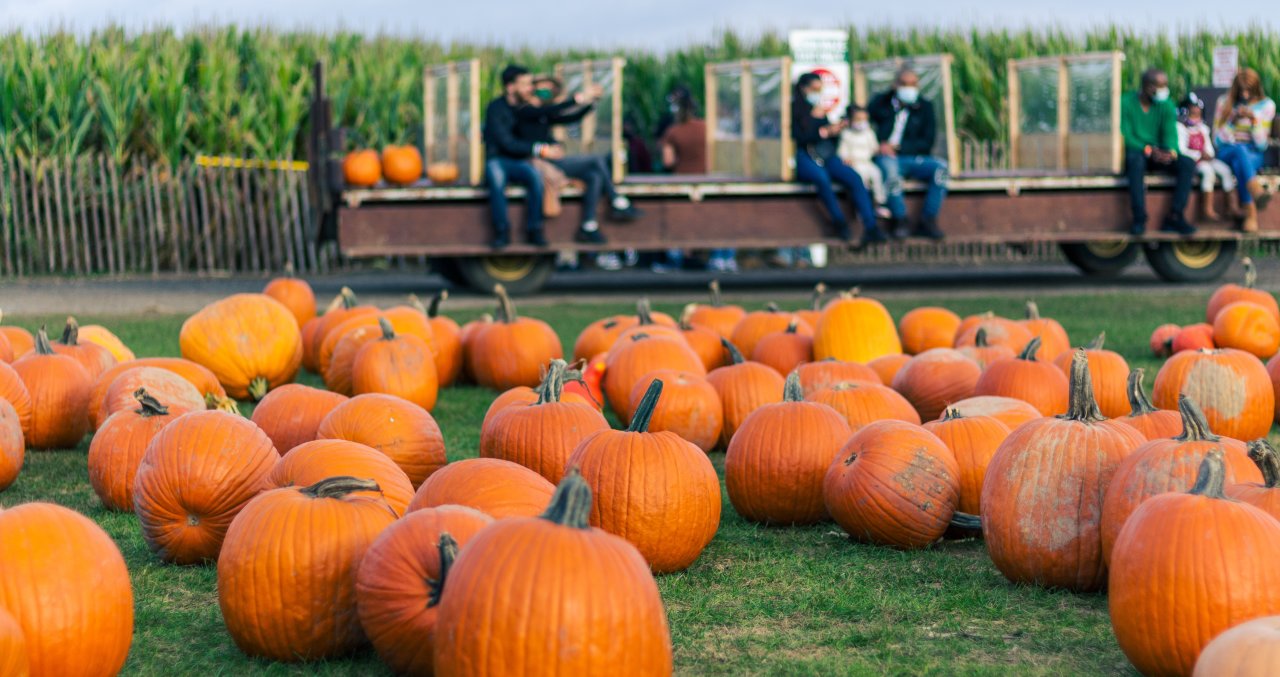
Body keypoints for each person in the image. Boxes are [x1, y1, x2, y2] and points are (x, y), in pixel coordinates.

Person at [511, 77, 642, 245]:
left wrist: (591, 103)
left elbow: (570, 118)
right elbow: (555, 109)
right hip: (544, 165)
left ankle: (589, 225)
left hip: (553, 160)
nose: (545, 92)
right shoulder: (525, 111)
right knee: (596, 160)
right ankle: (616, 199)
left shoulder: (543, 113)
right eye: (542, 88)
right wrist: (579, 98)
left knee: (594, 176)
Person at [791, 72, 883, 249]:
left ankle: (871, 226)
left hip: (825, 155)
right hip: (804, 157)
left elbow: (826, 138)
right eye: (814, 89)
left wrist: (836, 129)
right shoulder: (794, 110)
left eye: (820, 89)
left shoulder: (819, 110)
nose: (817, 93)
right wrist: (819, 127)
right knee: (822, 179)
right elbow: (800, 137)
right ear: (803, 89)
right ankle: (839, 222)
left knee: (854, 177)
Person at [660, 85, 733, 271]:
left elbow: (667, 161)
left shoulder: (673, 132)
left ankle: (676, 259)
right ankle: (721, 259)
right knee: (715, 220)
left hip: (682, 183)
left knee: (680, 223)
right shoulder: (707, 128)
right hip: (708, 181)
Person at [867, 67, 946, 240]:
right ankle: (900, 219)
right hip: (886, 157)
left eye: (913, 84)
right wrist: (878, 145)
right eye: (904, 84)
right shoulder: (881, 103)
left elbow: (927, 141)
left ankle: (928, 219)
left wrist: (899, 147)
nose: (909, 89)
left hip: (912, 156)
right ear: (895, 85)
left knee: (940, 168)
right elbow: (864, 123)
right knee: (891, 172)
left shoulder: (924, 107)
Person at [1120, 68, 1197, 236]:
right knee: (1135, 162)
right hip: (1138, 151)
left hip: (1158, 153)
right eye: (1160, 86)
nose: (1164, 90)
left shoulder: (1167, 105)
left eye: (1165, 86)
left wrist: (1170, 152)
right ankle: (1139, 217)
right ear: (1147, 87)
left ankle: (1175, 216)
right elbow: (1124, 135)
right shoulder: (1125, 102)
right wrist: (1148, 149)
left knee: (1187, 163)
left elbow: (1170, 135)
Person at [481, 64, 548, 249]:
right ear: (510, 87)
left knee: (535, 177)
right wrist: (538, 149)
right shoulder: (495, 108)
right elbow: (506, 142)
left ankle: (535, 228)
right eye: (525, 83)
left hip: (518, 161)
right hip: (498, 159)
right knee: (496, 177)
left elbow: (551, 110)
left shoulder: (525, 108)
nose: (530, 88)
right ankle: (501, 230)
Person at [1213, 67, 1276, 232]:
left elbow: (1262, 145)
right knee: (1239, 151)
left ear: (1256, 89)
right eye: (1241, 91)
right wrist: (1232, 121)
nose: (1245, 95)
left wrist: (1254, 122)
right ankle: (1254, 193)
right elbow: (1217, 141)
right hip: (1227, 150)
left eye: (1249, 91)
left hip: (1253, 152)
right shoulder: (1223, 102)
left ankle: (1251, 213)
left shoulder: (1267, 105)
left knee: (1240, 162)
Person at [1177, 94, 1236, 222]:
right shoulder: (1181, 129)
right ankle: (1207, 209)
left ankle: (1231, 207)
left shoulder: (1203, 129)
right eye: (1192, 113)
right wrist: (1198, 155)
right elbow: (1182, 150)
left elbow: (1208, 147)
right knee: (1208, 173)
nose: (1195, 117)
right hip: (1195, 161)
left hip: (1207, 159)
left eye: (1197, 114)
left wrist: (1208, 154)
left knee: (1225, 170)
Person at [838, 104, 891, 219]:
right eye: (858, 119)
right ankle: (861, 207)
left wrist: (880, 150)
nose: (861, 122)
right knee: (861, 180)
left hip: (867, 163)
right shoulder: (846, 134)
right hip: (855, 164)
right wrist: (845, 158)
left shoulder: (869, 133)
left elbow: (874, 148)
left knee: (876, 174)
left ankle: (879, 203)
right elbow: (842, 151)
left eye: (864, 119)